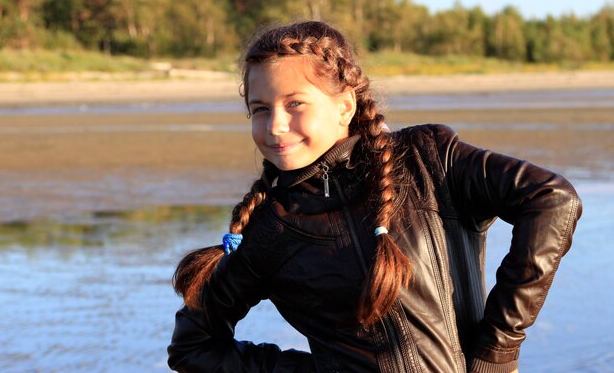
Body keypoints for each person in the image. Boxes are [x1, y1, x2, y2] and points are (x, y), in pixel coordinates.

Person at [167, 21, 582, 373]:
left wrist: (499, 347)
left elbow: (552, 200)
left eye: (295, 103)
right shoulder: (272, 227)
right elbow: (193, 347)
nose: (275, 125)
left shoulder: (428, 159)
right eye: (260, 109)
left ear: (344, 104)